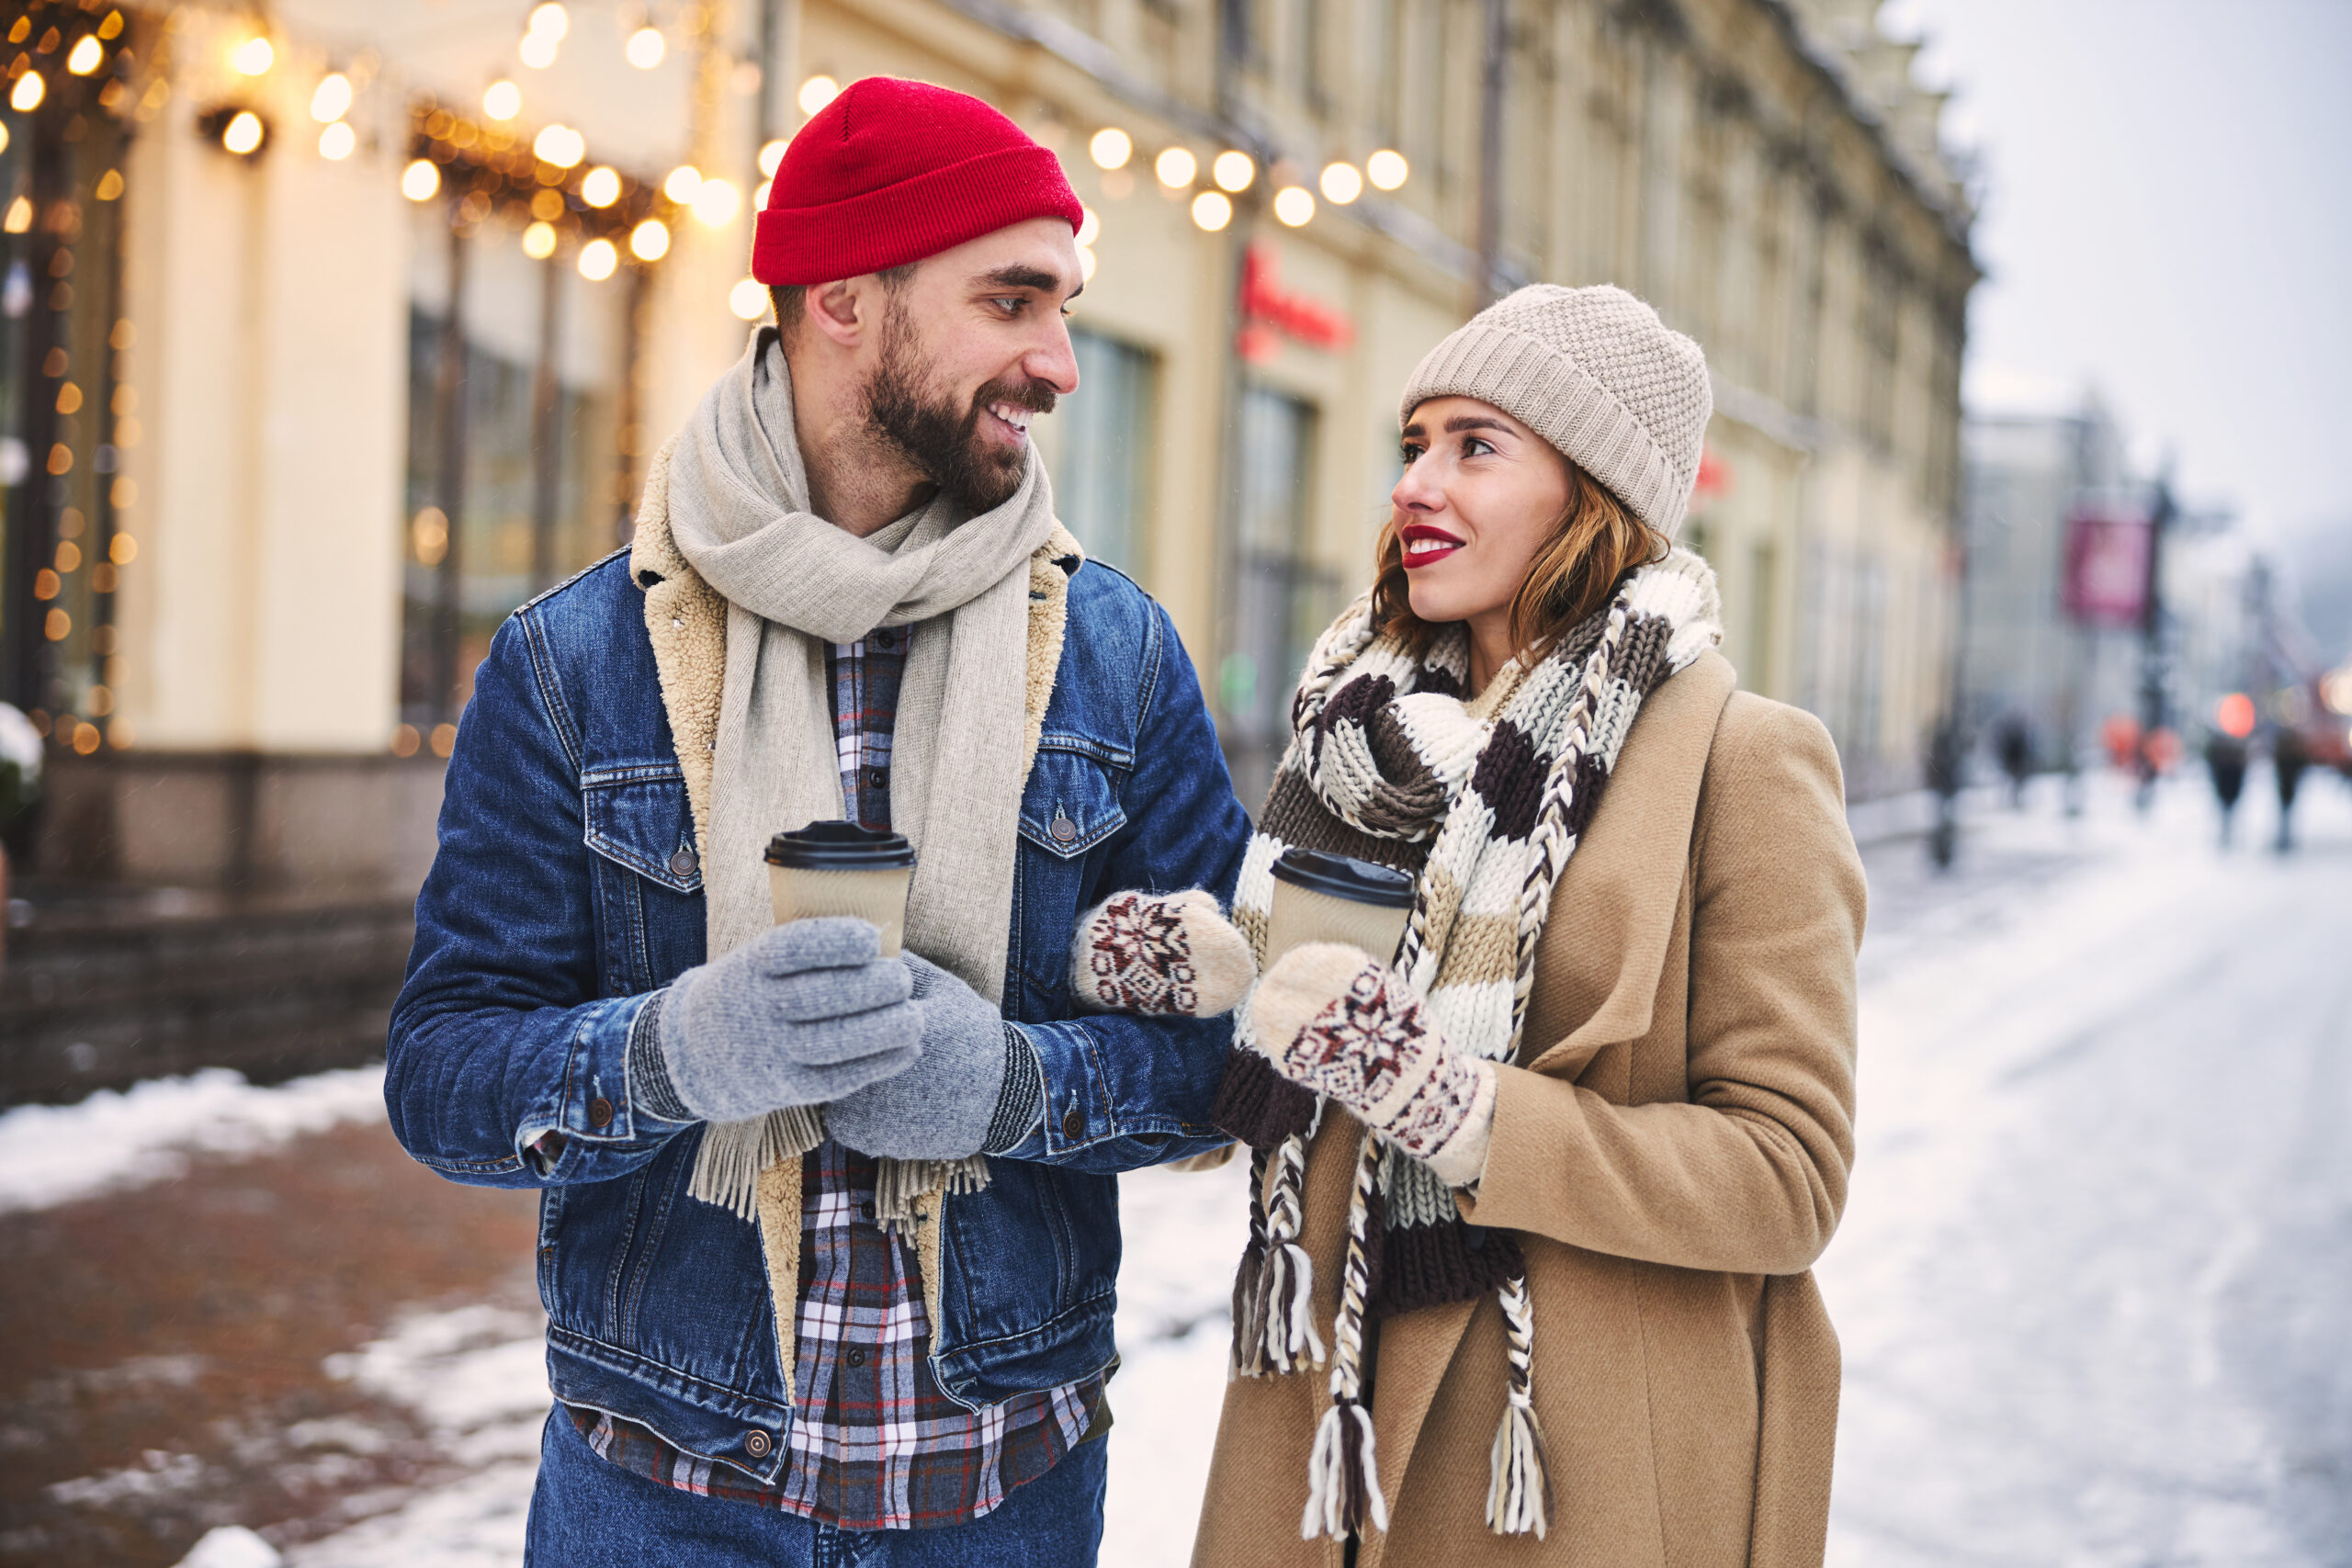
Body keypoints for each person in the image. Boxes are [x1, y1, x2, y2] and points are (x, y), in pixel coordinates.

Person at [385, 77, 1255, 1566]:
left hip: (1003, 1498)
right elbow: (445, 1073)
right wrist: (672, 1053)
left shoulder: (1115, 656)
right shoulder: (576, 662)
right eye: (1012, 300)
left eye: (1065, 306)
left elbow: (1229, 1054)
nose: (1058, 361)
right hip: (663, 1494)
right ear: (845, 303)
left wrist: (1012, 1090)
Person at [1101, 285, 1864, 1564]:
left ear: (1594, 494)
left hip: (1572, 1455)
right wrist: (1205, 979)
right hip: (1327, 1430)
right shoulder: (1358, 740)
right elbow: (1303, 1039)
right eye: (1414, 445)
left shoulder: (1743, 763)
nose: (1416, 484)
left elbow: (1789, 1176)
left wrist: (1468, 1115)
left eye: (1476, 446)